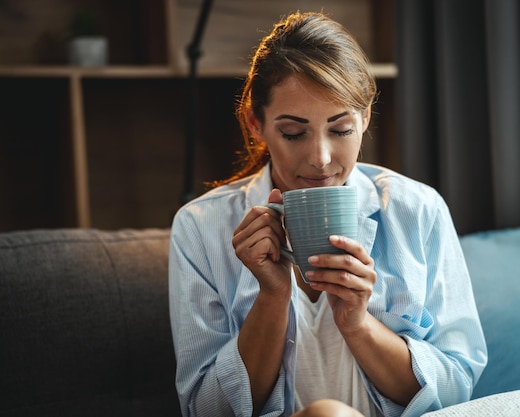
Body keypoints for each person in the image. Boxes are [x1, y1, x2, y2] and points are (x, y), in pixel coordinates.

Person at [169, 11, 487, 417]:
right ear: (256, 123)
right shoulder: (200, 228)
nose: (320, 159)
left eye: (340, 130)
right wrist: (272, 297)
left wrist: (358, 323)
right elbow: (205, 409)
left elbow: (458, 388)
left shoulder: (417, 210)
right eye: (293, 132)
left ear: (365, 118)